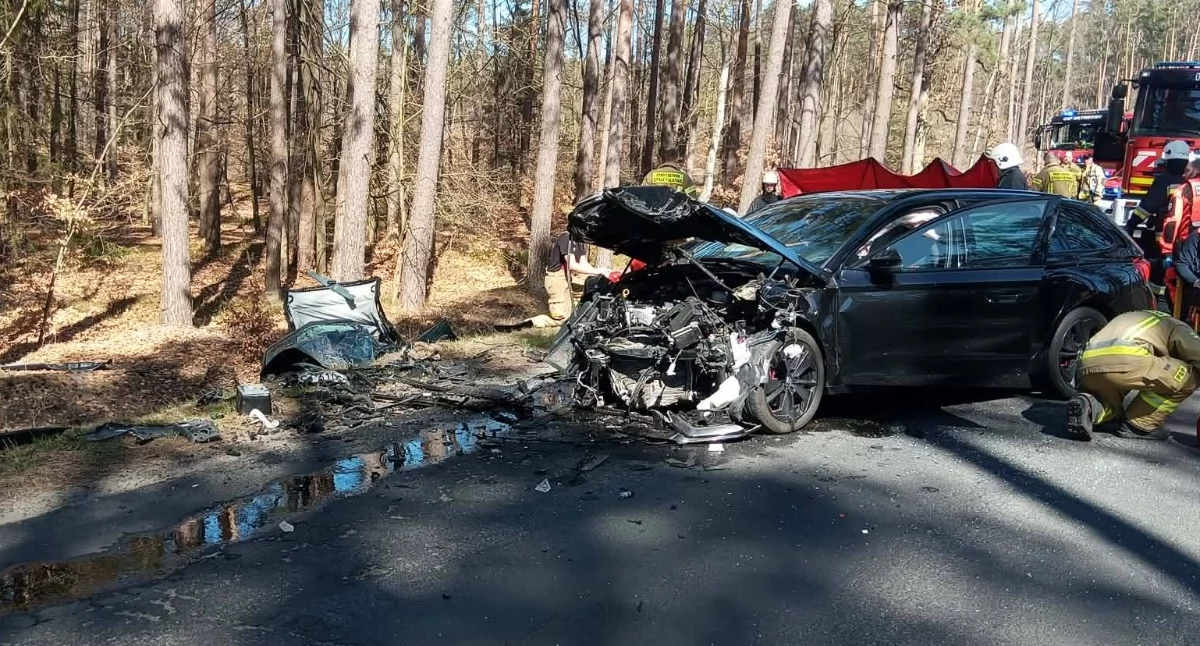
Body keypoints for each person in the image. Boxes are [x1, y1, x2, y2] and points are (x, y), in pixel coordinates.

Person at [1067, 309, 1200, 441]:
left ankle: (1089, 406)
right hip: (1126, 360)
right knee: (1190, 377)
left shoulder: (1136, 317)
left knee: (1110, 406)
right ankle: (1140, 425)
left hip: (1085, 365)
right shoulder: (1177, 326)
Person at [1127, 140, 1191, 311]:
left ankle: (1155, 307)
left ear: (1168, 160)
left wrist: (1132, 223)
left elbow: (1148, 206)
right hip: (1187, 238)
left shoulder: (1164, 181)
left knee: (1158, 273)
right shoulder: (1191, 182)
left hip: (1164, 239)